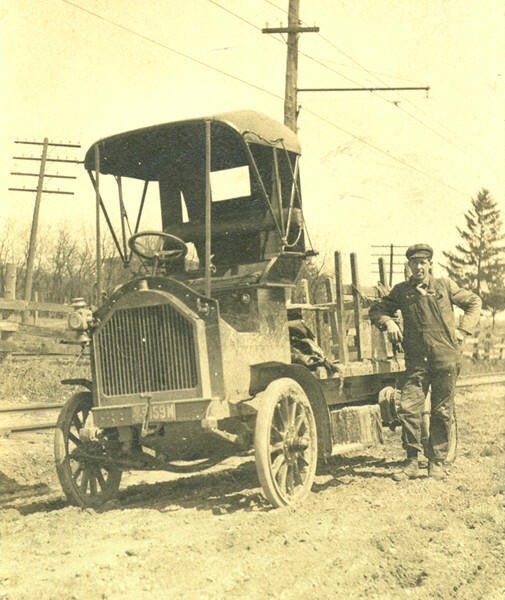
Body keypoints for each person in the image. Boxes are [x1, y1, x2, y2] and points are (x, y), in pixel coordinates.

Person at [369, 243, 481, 480]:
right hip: (417, 362)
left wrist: (463, 330)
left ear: (430, 264)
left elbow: (474, 302)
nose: (418, 267)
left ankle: (436, 462)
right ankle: (411, 460)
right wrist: (388, 322)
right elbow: (377, 309)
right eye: (414, 263)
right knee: (408, 408)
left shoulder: (444, 286)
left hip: (445, 359)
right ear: (409, 265)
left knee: (442, 411)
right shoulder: (402, 291)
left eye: (423, 262)